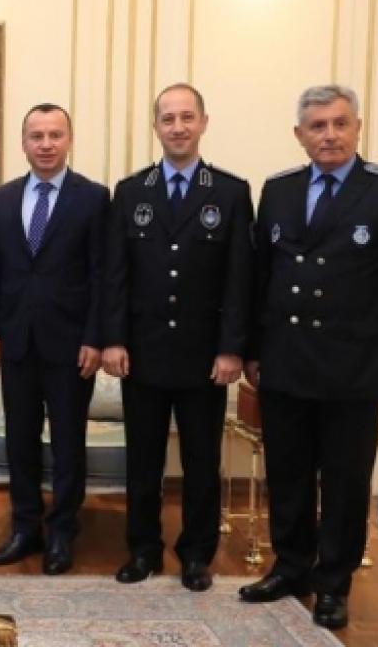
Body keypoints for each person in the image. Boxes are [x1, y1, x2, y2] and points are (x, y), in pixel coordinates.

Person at [240, 84, 378, 630]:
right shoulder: (279, 190)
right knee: (288, 474)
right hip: (285, 360)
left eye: (340, 123)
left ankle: (333, 582)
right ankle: (291, 567)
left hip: (355, 366)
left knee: (346, 482)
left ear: (357, 127)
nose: (329, 135)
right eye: (318, 126)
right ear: (299, 135)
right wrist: (254, 351)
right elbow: (261, 278)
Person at [101, 83, 253, 592]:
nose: (178, 127)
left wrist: (232, 348)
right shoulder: (131, 192)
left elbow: (239, 278)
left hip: (204, 357)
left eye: (187, 117)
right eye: (168, 119)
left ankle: (195, 555)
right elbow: (116, 275)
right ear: (156, 127)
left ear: (204, 122)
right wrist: (114, 339)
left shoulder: (230, 193)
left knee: (201, 462)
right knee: (142, 461)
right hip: (142, 353)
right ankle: (143, 550)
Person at [0, 103, 107, 575]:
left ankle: (62, 533)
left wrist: (96, 337)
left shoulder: (93, 197)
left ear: (68, 140)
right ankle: (25, 528)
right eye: (37, 136)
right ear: (24, 143)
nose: (46, 144)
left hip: (72, 345)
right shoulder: (5, 198)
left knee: (69, 442)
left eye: (55, 135)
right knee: (21, 440)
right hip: (16, 340)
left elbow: (102, 275)